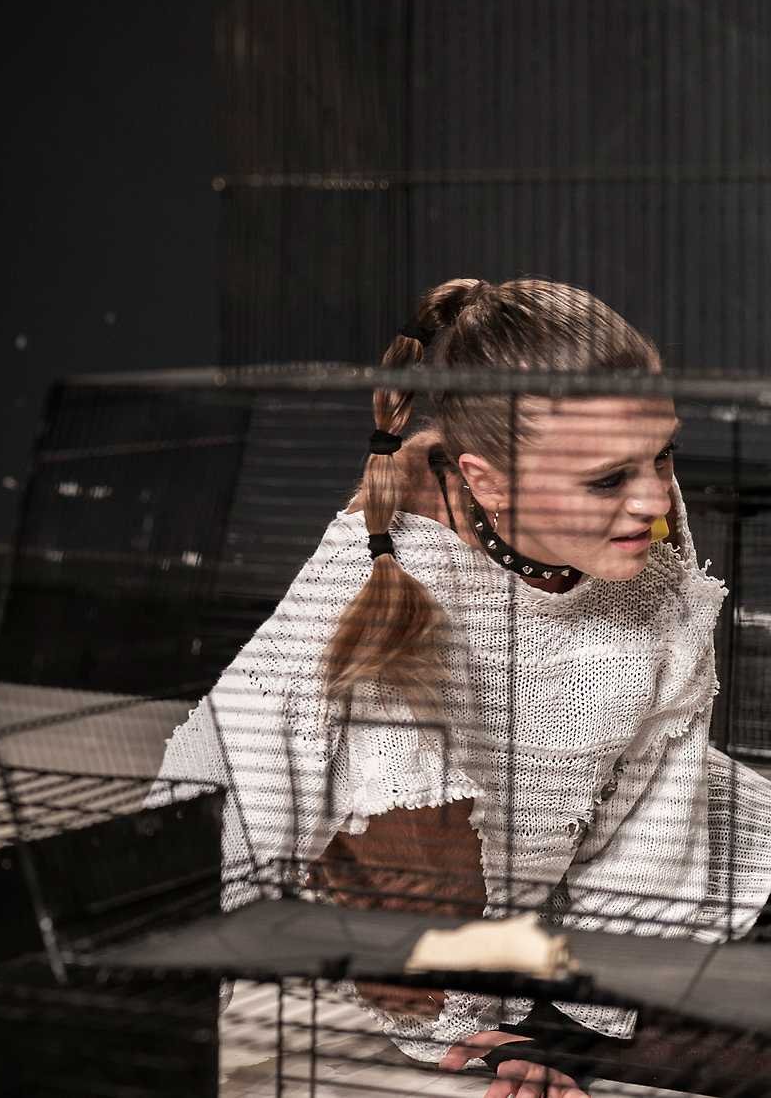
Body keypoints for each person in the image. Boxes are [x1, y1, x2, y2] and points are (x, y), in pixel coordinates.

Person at [155, 277, 771, 1095]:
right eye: (609, 479)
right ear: (486, 480)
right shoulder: (380, 586)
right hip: (450, 941)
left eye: (664, 455)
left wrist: (597, 1000)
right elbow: (246, 806)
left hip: (619, 879)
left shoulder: (643, 552)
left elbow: (660, 796)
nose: (657, 501)